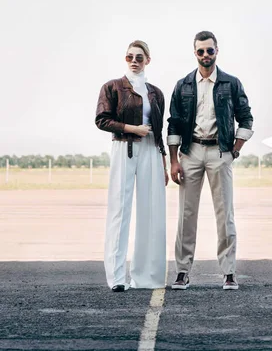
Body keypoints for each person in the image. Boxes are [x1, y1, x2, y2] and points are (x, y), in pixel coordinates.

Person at [167, 31, 253, 290]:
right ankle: (182, 271)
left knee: (225, 213)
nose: (205, 55)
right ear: (195, 53)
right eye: (201, 51)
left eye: (210, 50)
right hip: (191, 152)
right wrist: (174, 160)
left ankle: (228, 272)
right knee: (186, 214)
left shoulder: (230, 83)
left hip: (220, 152)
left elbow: (246, 117)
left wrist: (234, 150)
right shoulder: (183, 85)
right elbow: (173, 123)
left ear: (217, 51)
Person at [95, 40, 168, 292]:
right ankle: (116, 278)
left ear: (148, 60)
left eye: (139, 57)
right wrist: (131, 128)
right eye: (129, 57)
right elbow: (102, 120)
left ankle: (146, 277)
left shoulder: (156, 92)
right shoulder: (112, 87)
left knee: (151, 212)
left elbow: (159, 130)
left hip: (151, 150)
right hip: (124, 146)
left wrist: (164, 160)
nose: (134, 61)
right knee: (120, 210)